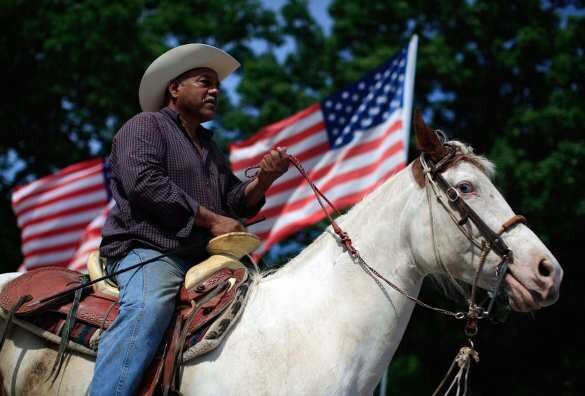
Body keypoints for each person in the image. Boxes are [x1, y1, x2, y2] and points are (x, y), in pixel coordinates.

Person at [90, 44, 289, 395]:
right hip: (148, 251)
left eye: (217, 86)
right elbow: (144, 182)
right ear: (174, 88)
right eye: (204, 81)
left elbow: (233, 201)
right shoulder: (145, 125)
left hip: (204, 259)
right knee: (148, 307)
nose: (215, 90)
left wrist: (264, 180)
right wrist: (213, 221)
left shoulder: (210, 149)